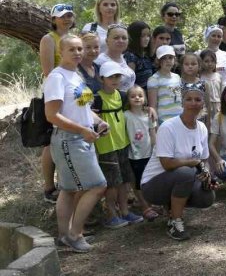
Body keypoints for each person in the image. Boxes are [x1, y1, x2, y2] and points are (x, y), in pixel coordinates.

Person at [43, 34, 108, 253]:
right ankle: (75, 234)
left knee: (69, 189)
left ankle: (64, 235)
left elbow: (83, 108)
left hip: (83, 137)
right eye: (72, 49)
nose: (78, 53)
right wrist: (81, 130)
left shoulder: (76, 75)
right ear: (61, 52)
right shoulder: (57, 77)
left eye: (80, 49)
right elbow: (52, 115)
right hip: (68, 140)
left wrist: (98, 122)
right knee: (98, 186)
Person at [140, 82, 215, 241]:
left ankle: (172, 209)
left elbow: (204, 160)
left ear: (203, 103)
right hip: (153, 185)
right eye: (189, 99)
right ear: (182, 102)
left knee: (207, 196)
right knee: (186, 173)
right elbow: (166, 164)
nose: (193, 103)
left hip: (180, 178)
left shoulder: (201, 127)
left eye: (197, 99)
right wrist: (192, 163)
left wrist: (206, 173)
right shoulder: (168, 127)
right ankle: (175, 222)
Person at [93, 61, 144, 229]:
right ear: (102, 79)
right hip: (106, 146)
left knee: (124, 181)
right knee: (112, 183)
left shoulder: (122, 96)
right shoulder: (97, 98)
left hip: (124, 143)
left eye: (117, 76)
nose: (115, 79)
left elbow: (137, 109)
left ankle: (124, 211)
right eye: (111, 77)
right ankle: (111, 214)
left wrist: (150, 110)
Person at [123, 85, 159, 221]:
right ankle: (145, 207)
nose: (137, 98)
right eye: (133, 96)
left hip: (149, 154)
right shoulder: (125, 116)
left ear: (144, 98)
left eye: (140, 95)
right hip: (135, 156)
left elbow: (153, 133)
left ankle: (151, 203)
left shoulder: (149, 115)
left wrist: (156, 150)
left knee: (149, 179)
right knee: (138, 182)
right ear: (128, 100)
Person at [96, 24, 137, 92]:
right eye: (116, 38)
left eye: (124, 38)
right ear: (107, 41)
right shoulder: (99, 61)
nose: (120, 41)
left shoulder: (124, 59)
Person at [148, 45, 182, 124]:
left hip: (179, 118)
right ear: (158, 61)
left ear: (174, 59)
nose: (168, 61)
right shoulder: (154, 79)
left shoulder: (177, 77)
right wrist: (155, 125)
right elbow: (153, 106)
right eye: (164, 58)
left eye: (170, 57)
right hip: (164, 120)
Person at [124, 21, 154, 91]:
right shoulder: (130, 56)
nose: (147, 39)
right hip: (137, 96)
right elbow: (130, 81)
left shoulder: (146, 55)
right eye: (143, 36)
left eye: (148, 35)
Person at [198, 49, 224, 121]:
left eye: (212, 61)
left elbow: (221, 93)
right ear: (201, 62)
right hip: (204, 106)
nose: (210, 64)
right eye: (206, 61)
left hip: (217, 106)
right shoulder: (200, 77)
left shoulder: (218, 76)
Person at [77, 32, 103, 96]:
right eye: (88, 47)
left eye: (96, 47)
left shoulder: (99, 68)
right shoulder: (75, 69)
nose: (93, 51)